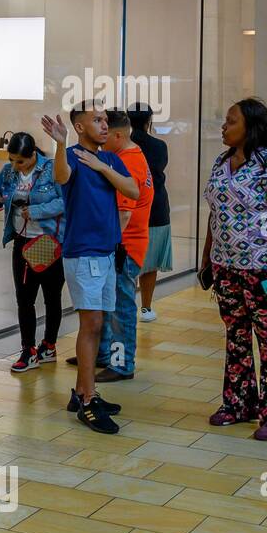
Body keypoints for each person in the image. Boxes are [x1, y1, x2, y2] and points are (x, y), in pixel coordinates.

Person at [201, 98, 267, 441]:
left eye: (230, 122)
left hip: (263, 271)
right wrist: (206, 259)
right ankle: (240, 403)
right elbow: (215, 215)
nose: (224, 127)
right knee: (236, 336)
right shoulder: (221, 162)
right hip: (226, 268)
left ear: (250, 126)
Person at [41, 102, 138, 434]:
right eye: (96, 120)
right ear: (79, 127)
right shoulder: (70, 155)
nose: (104, 125)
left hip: (106, 254)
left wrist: (102, 167)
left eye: (106, 120)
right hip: (84, 255)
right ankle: (87, 399)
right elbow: (60, 177)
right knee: (92, 323)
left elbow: (133, 191)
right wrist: (58, 142)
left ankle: (83, 392)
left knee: (97, 325)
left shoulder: (107, 158)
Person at [0, 131, 65, 374]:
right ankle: (28, 349)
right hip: (22, 241)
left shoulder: (52, 169)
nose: (14, 166)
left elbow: (65, 202)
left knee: (52, 297)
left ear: (33, 155)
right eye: (11, 160)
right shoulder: (8, 172)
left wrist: (38, 210)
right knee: (24, 298)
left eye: (20, 161)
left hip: (48, 242)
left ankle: (49, 345)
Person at [91, 109, 153, 382]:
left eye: (106, 133)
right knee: (109, 303)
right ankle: (103, 354)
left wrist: (108, 245)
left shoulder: (126, 163)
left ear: (118, 135)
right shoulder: (131, 153)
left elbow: (124, 213)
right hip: (125, 245)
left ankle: (121, 363)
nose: (101, 138)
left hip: (124, 248)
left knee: (120, 307)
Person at [128, 104, 171, 321]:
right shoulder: (159, 146)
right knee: (150, 262)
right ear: (149, 120)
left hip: (131, 208)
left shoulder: (124, 147)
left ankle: (126, 305)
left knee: (130, 260)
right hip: (157, 208)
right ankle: (146, 308)